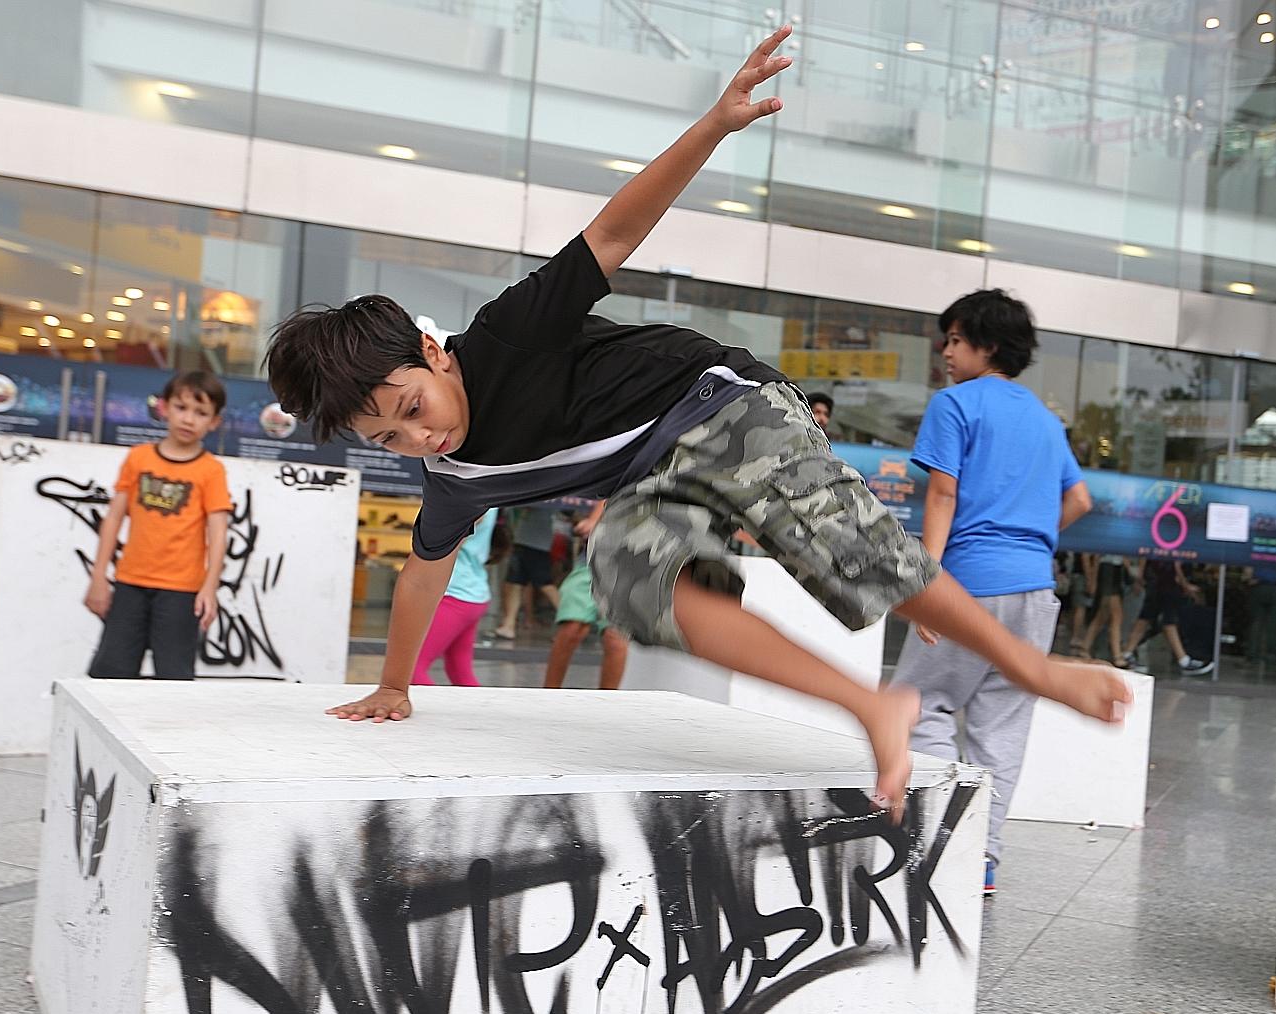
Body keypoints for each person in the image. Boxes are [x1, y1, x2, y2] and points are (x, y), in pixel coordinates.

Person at [264, 25, 1131, 816]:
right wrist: (395, 684)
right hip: (659, 476)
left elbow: (613, 234)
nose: (421, 440)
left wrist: (716, 124)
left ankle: (1035, 669)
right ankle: (873, 706)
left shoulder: (507, 333)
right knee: (625, 571)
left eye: (413, 409)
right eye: (390, 440)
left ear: (433, 351)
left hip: (725, 402)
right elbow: (424, 573)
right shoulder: (454, 475)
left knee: (838, 540)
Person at [888, 288, 1094, 893]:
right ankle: (981, 857)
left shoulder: (955, 404)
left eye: (956, 340)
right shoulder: (1045, 420)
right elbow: (1079, 500)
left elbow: (943, 494)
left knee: (916, 704)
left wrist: (924, 582)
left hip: (968, 585)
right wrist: (1026, 541)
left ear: (989, 345)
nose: (946, 352)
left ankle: (935, 836)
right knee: (1001, 725)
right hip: (1034, 590)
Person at [84, 371, 232, 679]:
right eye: (181, 407)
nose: (188, 419)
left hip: (182, 591)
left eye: (201, 412)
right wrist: (99, 577)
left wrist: (210, 587)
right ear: (164, 407)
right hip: (130, 584)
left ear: (215, 421)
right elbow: (114, 518)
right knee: (111, 673)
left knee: (174, 679)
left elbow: (218, 532)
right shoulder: (138, 458)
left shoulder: (211, 470)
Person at [544, 501, 629, 690]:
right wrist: (593, 520)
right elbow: (612, 493)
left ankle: (607, 701)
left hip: (631, 561)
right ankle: (548, 694)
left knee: (614, 638)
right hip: (596, 554)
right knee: (572, 627)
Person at [410, 509, 498, 687]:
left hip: (455, 592)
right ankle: (483, 705)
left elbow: (444, 543)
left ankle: (432, 706)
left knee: (411, 670)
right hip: (469, 592)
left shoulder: (472, 498)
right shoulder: (487, 498)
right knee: (460, 673)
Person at [1118, 559, 1211, 674]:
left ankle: (1127, 653)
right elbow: (1176, 564)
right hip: (1166, 580)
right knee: (1167, 618)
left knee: (1147, 617)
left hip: (1157, 578)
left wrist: (1141, 576)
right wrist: (1184, 584)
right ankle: (1183, 660)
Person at [493, 505, 560, 640]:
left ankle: (571, 620)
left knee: (545, 584)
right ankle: (509, 624)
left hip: (537, 543)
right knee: (514, 582)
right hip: (524, 540)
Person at [1081, 554, 1130, 664]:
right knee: (1116, 615)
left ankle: (1085, 646)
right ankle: (1117, 655)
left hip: (1114, 568)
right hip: (1109, 568)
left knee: (1103, 615)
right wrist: (1092, 579)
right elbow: (1096, 556)